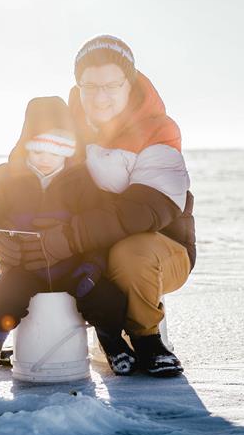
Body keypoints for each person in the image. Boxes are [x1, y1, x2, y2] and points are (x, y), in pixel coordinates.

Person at [20, 35, 195, 377]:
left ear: (129, 83)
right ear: (79, 86)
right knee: (26, 230)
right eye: (90, 86)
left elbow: (148, 208)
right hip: (89, 245)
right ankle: (37, 329)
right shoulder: (66, 126)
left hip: (161, 249)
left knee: (130, 253)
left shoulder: (159, 129)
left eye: (111, 85)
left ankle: (147, 339)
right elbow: (24, 169)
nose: (100, 96)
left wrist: (70, 237)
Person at [0, 96, 134, 384]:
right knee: (2, 296)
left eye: (57, 147)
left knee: (106, 297)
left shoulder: (82, 180)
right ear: (26, 142)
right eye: (38, 147)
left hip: (73, 267)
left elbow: (96, 226)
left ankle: (113, 344)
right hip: (25, 267)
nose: (46, 157)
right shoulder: (6, 176)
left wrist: (92, 266)